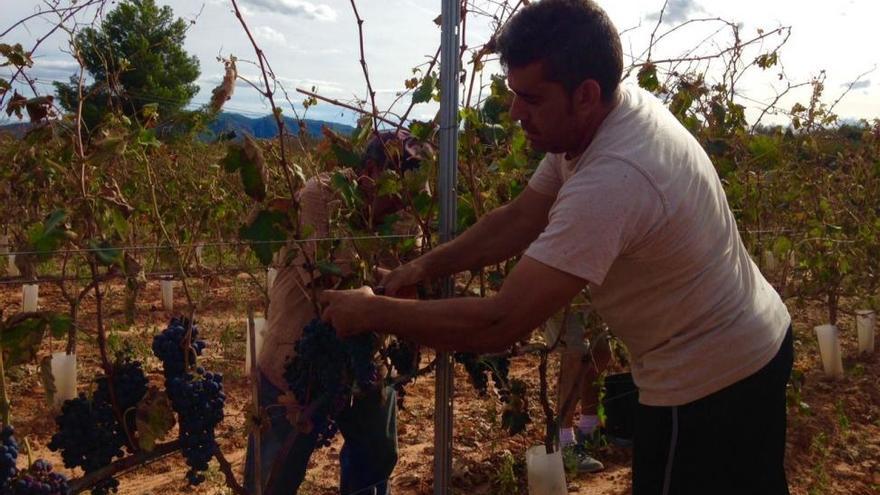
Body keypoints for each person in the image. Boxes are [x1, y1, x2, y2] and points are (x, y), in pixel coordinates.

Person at [320, 1, 793, 494]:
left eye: (531, 98)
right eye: (512, 95)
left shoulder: (614, 178)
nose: (515, 113)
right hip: (743, 347)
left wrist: (372, 313)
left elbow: (503, 322)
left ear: (585, 94)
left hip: (711, 383)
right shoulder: (594, 122)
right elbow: (520, 218)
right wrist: (420, 267)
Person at [244, 130, 427, 495]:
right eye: (401, 191)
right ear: (371, 170)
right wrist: (396, 279)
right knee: (271, 478)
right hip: (297, 358)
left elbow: (415, 269)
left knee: (375, 460)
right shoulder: (320, 195)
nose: (406, 203)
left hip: (364, 359)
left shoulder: (404, 214)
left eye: (414, 195)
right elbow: (325, 275)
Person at [543, 304, 611, 473]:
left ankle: (588, 428)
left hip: (589, 286)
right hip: (561, 288)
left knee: (601, 350)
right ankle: (563, 441)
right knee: (575, 354)